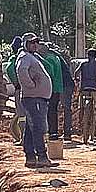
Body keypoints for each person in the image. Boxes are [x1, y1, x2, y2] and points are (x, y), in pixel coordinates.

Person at [17, 33, 58, 168]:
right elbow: (21, 71)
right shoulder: (25, 57)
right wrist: (31, 86)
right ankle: (41, 156)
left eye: (36, 42)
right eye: (32, 42)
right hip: (33, 98)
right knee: (38, 128)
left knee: (31, 128)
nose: (35, 45)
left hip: (36, 98)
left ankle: (30, 157)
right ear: (25, 44)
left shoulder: (32, 57)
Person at [37, 40, 65, 140]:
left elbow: (50, 73)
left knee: (50, 111)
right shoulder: (55, 57)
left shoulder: (48, 59)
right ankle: (53, 132)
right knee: (53, 111)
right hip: (57, 87)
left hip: (52, 88)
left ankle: (52, 132)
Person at [5, 36, 25, 144]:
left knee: (22, 115)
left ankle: (23, 139)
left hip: (21, 90)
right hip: (32, 90)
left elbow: (9, 70)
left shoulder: (15, 60)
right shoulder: (31, 58)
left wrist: (16, 83)